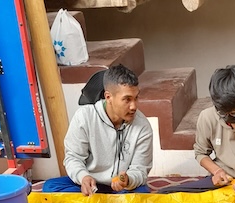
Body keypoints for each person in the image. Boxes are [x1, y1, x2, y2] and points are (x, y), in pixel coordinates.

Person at [158, 65, 235, 195]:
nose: (228, 118)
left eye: (234, 113)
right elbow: (201, 153)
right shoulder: (207, 117)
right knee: (166, 195)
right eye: (222, 112)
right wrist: (217, 171)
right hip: (221, 180)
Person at [42, 65, 153, 196]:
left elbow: (140, 170)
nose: (134, 106)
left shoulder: (142, 126)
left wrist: (128, 180)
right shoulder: (84, 117)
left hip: (122, 189)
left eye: (136, 98)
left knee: (143, 192)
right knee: (50, 187)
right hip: (91, 184)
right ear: (108, 97)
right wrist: (83, 177)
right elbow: (73, 158)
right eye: (127, 99)